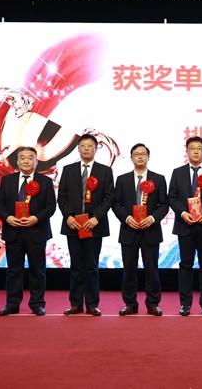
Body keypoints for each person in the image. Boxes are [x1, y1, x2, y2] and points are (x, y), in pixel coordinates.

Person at [57, 134, 115, 316]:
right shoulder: (68, 170)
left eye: (90, 146)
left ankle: (92, 304)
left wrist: (96, 217)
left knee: (91, 266)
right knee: (76, 266)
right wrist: (68, 216)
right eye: (83, 146)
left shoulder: (105, 171)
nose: (86, 149)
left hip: (94, 226)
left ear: (96, 149)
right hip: (73, 225)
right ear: (78, 148)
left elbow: (109, 197)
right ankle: (75, 303)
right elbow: (62, 197)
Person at [0, 146, 56, 316]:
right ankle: (12, 304)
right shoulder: (8, 180)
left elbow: (51, 207)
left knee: (37, 270)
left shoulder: (45, 181)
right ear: (17, 161)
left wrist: (36, 218)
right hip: (13, 230)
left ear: (36, 161)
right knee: (14, 270)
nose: (26, 161)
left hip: (36, 231)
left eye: (30, 158)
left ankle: (37, 304)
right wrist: (8, 218)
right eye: (22, 158)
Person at [167, 136, 202, 316]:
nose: (196, 151)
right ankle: (185, 304)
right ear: (187, 151)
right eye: (192, 148)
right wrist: (183, 213)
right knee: (185, 265)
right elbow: (172, 197)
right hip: (185, 224)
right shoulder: (178, 173)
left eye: (199, 148)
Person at [112, 143, 169, 316]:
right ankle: (130, 303)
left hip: (150, 231)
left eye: (143, 154)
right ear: (131, 158)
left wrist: (151, 219)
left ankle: (153, 303)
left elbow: (164, 205)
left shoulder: (158, 179)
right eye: (136, 154)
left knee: (151, 269)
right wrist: (127, 218)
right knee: (129, 269)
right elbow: (116, 204)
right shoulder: (122, 179)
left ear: (148, 157)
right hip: (129, 231)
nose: (140, 157)